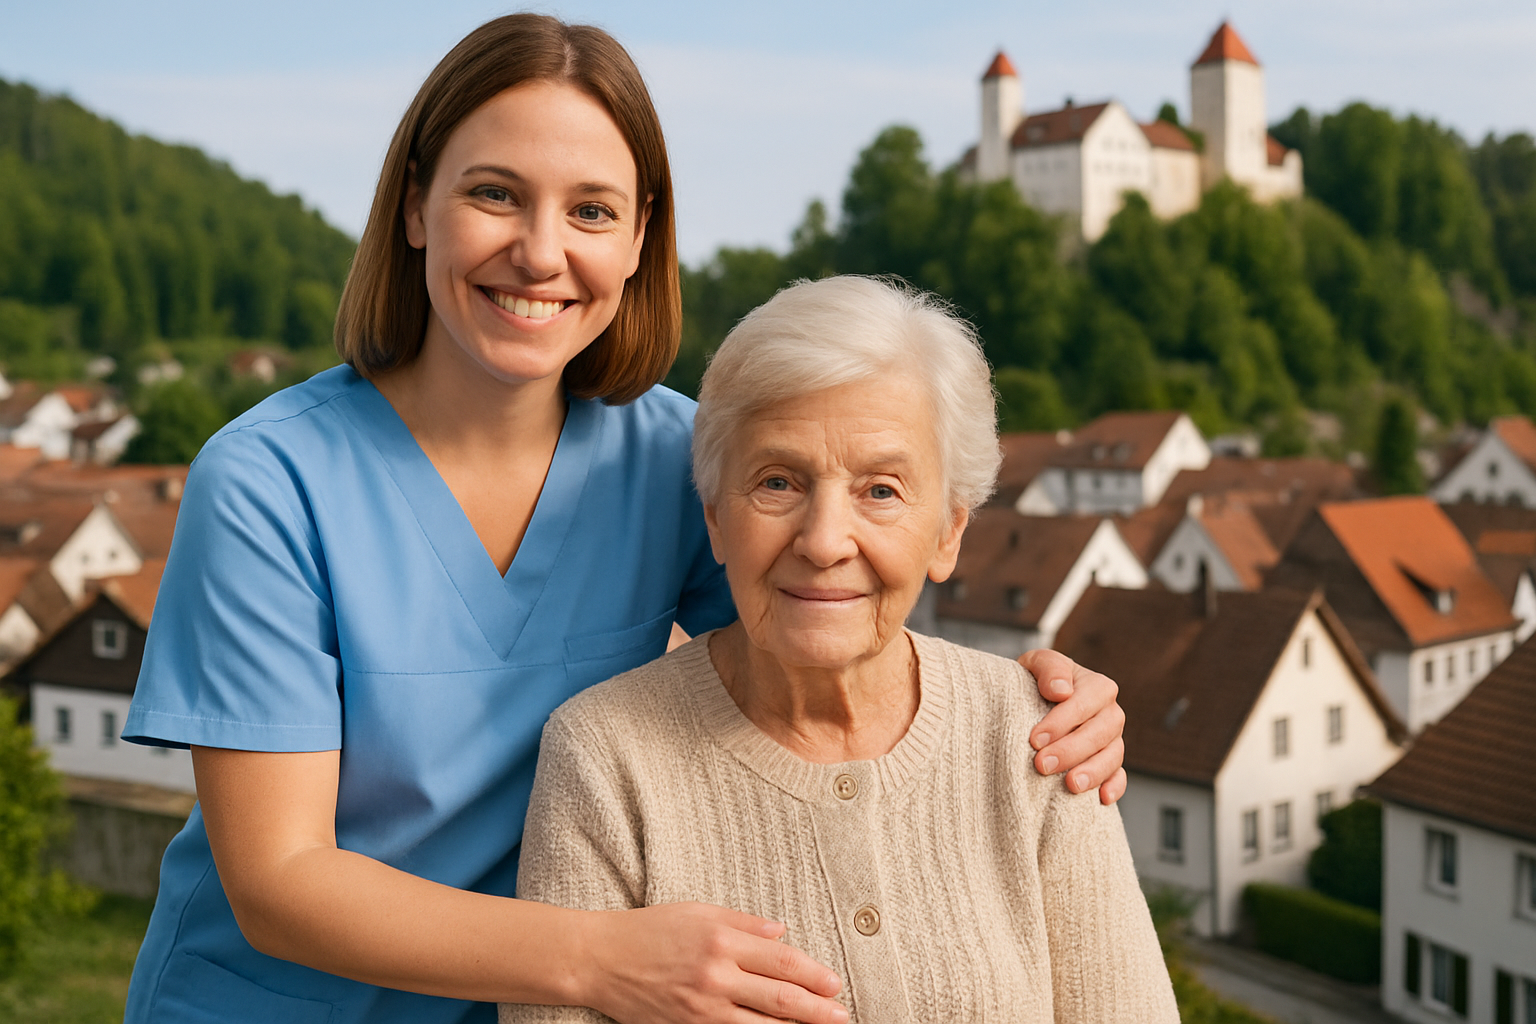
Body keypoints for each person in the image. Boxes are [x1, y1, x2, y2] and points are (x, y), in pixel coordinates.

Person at [120, 14, 1127, 1024]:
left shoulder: (678, 460)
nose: (541, 251)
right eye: (494, 194)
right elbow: (279, 882)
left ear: (641, 235)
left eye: (591, 211)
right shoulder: (266, 481)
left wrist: (1036, 699)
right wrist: (600, 957)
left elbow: (829, 621)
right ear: (418, 202)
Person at [502, 277, 1177, 1023]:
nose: (824, 542)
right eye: (778, 482)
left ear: (949, 530)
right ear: (717, 519)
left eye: (880, 490)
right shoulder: (603, 757)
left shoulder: (1042, 740)